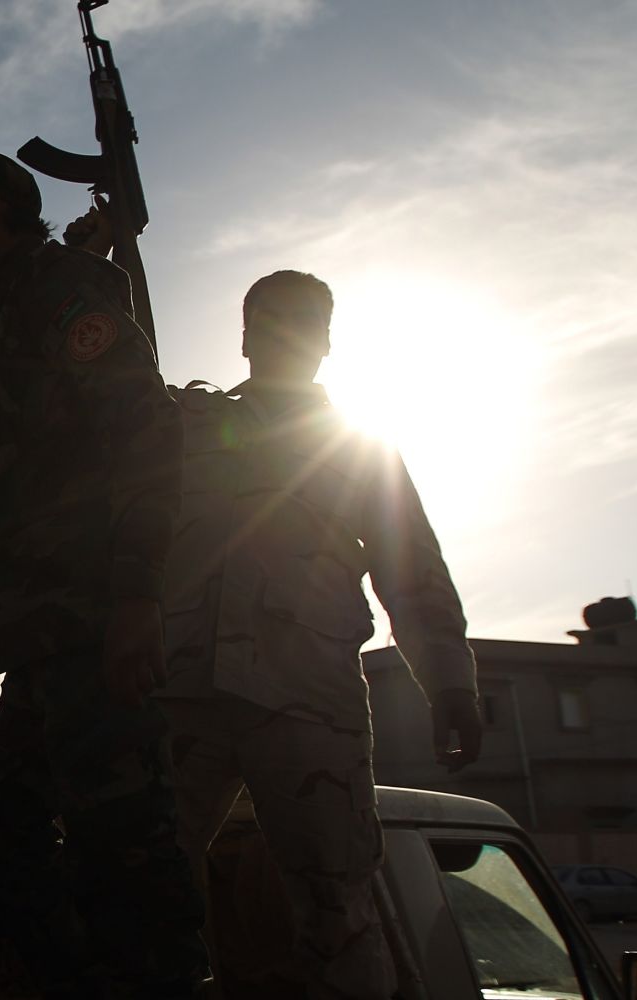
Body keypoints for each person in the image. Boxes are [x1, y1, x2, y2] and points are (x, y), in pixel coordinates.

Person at [0, 151, 206, 996]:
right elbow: (17, 512)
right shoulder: (11, 320)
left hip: (96, 632)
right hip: (43, 646)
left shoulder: (64, 293)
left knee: (127, 862)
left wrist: (137, 596)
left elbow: (149, 437)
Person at [157, 270, 481, 998]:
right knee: (139, 900)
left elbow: (412, 570)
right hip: (182, 692)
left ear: (327, 341)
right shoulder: (182, 423)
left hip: (307, 696)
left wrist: (452, 683)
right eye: (267, 318)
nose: (282, 331)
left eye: (302, 320)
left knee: (336, 912)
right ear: (242, 334)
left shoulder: (358, 446)